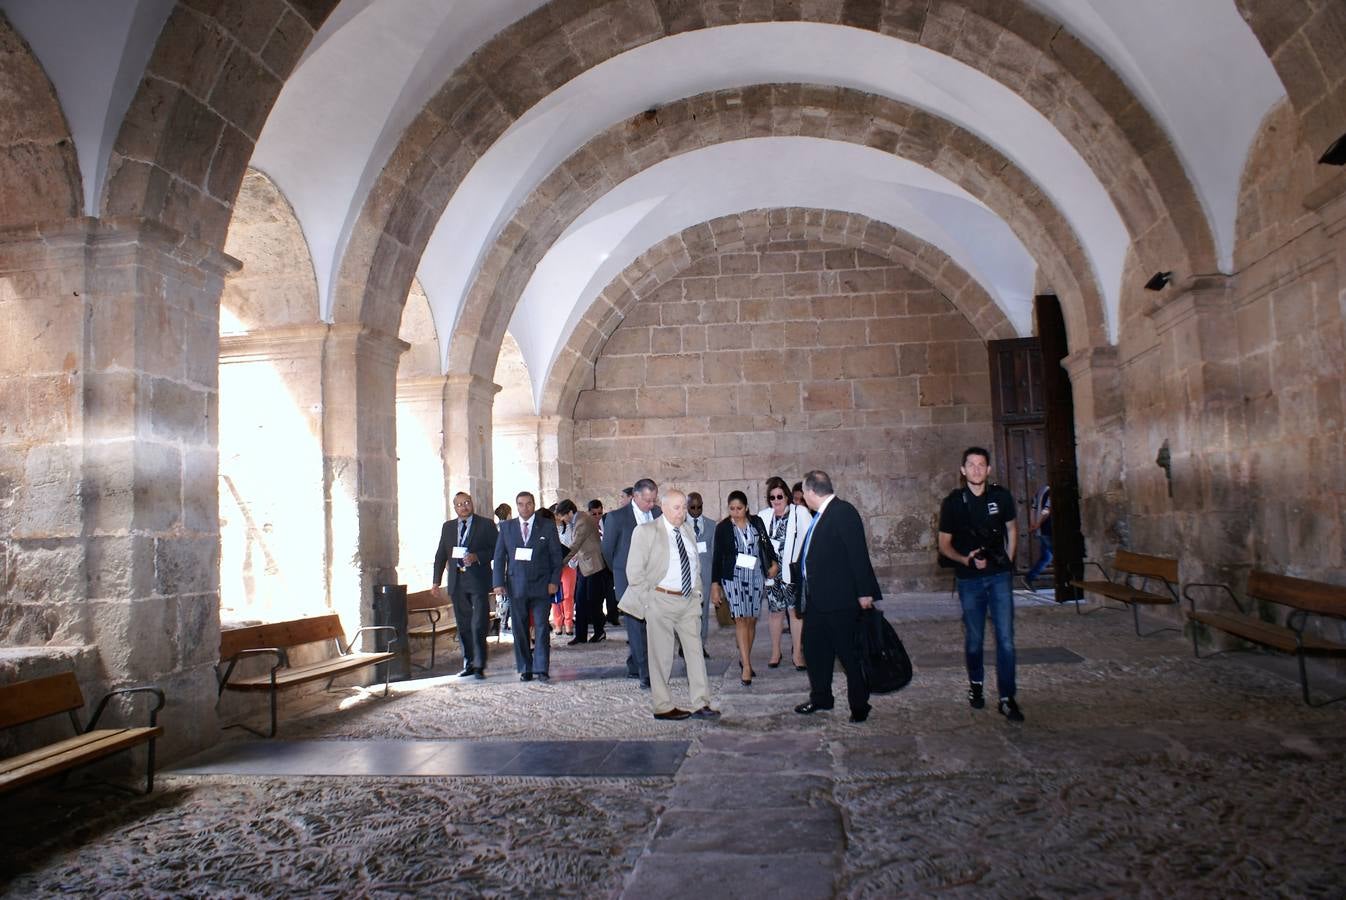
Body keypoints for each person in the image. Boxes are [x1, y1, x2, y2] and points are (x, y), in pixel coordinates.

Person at [938, 447, 1023, 722]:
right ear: (962, 470)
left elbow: (1011, 528)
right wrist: (965, 559)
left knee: (1006, 640)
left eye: (981, 464)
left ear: (988, 469)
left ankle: (1007, 697)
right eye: (970, 465)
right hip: (969, 581)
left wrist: (1007, 562)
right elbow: (943, 545)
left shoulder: (1001, 497)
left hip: (999, 577)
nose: (976, 469)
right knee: (974, 640)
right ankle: (976, 684)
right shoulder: (953, 503)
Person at [620, 489, 719, 721]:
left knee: (695, 653)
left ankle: (701, 703)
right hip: (660, 600)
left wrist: (697, 594)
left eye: (684, 507)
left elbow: (693, 563)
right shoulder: (646, 531)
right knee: (661, 657)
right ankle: (663, 706)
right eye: (677, 508)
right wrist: (649, 602)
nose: (682, 512)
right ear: (662, 508)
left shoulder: (687, 530)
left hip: (688, 602)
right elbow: (634, 572)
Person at [794, 470, 881, 723]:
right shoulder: (821, 515)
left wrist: (865, 592)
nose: (802, 498)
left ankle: (859, 705)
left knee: (848, 655)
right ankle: (821, 697)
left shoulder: (843, 512)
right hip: (818, 601)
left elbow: (858, 554)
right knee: (814, 651)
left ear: (811, 491)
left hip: (840, 601)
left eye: (803, 493)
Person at [492, 491, 564, 681]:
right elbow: (499, 557)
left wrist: (554, 581)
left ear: (534, 504)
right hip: (516, 586)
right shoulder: (506, 527)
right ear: (517, 506)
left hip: (541, 585)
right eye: (521, 504)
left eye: (529, 503)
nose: (525, 507)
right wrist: (498, 582)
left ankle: (541, 667)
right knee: (519, 628)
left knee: (541, 627)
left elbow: (556, 557)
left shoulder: (547, 526)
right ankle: (525, 667)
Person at [710, 490, 777, 687]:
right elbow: (717, 557)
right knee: (739, 618)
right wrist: (715, 585)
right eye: (732, 509)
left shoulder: (756, 523)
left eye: (739, 508)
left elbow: (766, 545)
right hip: (733, 577)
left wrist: (775, 562)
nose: (735, 512)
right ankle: (746, 665)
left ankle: (744, 655)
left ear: (746, 508)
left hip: (755, 574)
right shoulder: (723, 528)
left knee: (751, 620)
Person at [431, 492, 499, 679]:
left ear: (472, 504)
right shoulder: (448, 527)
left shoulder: (486, 524)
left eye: (467, 502)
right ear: (455, 508)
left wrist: (477, 556)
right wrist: (436, 581)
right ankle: (468, 662)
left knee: (479, 624)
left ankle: (479, 664)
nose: (464, 506)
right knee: (463, 626)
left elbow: (498, 550)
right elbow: (440, 555)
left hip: (478, 581)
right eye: (460, 504)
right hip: (457, 582)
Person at [602, 478, 661, 688]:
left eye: (654, 500)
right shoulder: (616, 518)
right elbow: (608, 551)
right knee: (636, 628)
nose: (651, 504)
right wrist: (621, 572)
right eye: (647, 500)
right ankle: (646, 673)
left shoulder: (658, 514)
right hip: (629, 582)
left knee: (653, 627)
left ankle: (636, 665)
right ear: (635, 497)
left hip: (654, 580)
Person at [757, 476, 810, 671]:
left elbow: (810, 540)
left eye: (780, 496)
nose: (776, 500)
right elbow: (758, 545)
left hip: (792, 573)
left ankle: (797, 653)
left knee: (794, 613)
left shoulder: (800, 513)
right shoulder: (764, 516)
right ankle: (775, 651)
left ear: (787, 496)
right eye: (772, 497)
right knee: (775, 612)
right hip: (772, 574)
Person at [563, 499, 608, 644]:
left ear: (570, 512)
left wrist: (560, 563)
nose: (563, 519)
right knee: (581, 601)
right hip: (584, 566)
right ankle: (581, 636)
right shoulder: (579, 520)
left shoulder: (582, 520)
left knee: (593, 601)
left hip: (593, 565)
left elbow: (575, 546)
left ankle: (599, 632)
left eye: (563, 516)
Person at [686, 492, 715, 655]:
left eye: (699, 507)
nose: (696, 510)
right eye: (692, 507)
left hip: (705, 576)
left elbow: (715, 552)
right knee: (687, 614)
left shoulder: (711, 525)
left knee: (703, 612)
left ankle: (701, 644)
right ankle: (686, 645)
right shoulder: (680, 524)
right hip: (686, 577)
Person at [552, 499, 578, 635]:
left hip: (569, 564)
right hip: (554, 567)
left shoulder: (569, 527)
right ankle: (557, 622)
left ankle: (568, 622)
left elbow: (574, 545)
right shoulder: (549, 530)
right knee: (555, 595)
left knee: (568, 594)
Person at [1025, 483, 1052, 591]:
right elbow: (1046, 510)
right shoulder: (1051, 492)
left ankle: (1029, 578)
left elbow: (1033, 508)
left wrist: (1033, 524)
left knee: (1047, 557)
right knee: (1059, 557)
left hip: (1040, 531)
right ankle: (1069, 584)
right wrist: (1038, 524)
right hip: (1048, 530)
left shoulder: (1040, 491)